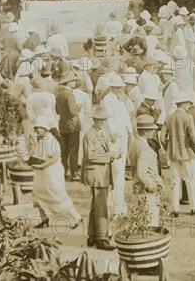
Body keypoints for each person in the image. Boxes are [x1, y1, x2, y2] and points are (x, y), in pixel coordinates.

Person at [29, 116, 82, 229]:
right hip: (42, 173)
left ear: (46, 128)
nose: (38, 130)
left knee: (57, 195)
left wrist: (41, 165)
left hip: (52, 172)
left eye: (40, 128)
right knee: (38, 194)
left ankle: (76, 217)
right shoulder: (41, 139)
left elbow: (55, 158)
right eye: (36, 127)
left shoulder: (50, 140)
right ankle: (44, 218)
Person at [81, 107, 119, 251]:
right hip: (97, 175)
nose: (102, 122)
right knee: (101, 206)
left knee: (96, 205)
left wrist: (113, 154)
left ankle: (92, 235)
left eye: (104, 119)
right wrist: (110, 156)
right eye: (99, 119)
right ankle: (102, 239)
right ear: (94, 119)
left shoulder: (100, 133)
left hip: (100, 173)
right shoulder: (89, 135)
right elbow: (90, 156)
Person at [161, 92, 195, 216]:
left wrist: (168, 148)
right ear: (183, 103)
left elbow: (163, 137)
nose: (189, 105)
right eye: (188, 103)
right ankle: (194, 207)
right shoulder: (187, 117)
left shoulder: (169, 118)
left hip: (173, 153)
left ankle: (175, 209)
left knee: (175, 181)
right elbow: (193, 136)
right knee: (191, 179)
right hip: (187, 153)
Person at [101, 74, 133, 218]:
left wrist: (130, 131)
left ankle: (119, 204)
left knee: (120, 170)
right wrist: (113, 132)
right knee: (117, 170)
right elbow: (107, 118)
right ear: (112, 87)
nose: (119, 89)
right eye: (117, 87)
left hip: (123, 135)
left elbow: (126, 115)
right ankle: (115, 205)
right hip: (115, 137)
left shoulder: (120, 99)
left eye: (120, 87)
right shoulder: (107, 100)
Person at [129, 115, 164, 226]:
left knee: (140, 218)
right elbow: (142, 173)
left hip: (137, 187)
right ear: (144, 131)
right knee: (151, 221)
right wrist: (152, 186)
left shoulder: (134, 143)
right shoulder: (144, 147)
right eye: (151, 129)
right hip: (147, 189)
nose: (154, 131)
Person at [55, 72, 82, 181]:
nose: (75, 82)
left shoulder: (59, 94)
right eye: (73, 80)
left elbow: (57, 111)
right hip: (73, 125)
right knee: (74, 150)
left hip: (63, 125)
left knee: (64, 151)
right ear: (69, 82)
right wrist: (78, 108)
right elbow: (73, 111)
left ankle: (63, 172)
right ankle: (74, 173)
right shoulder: (70, 95)